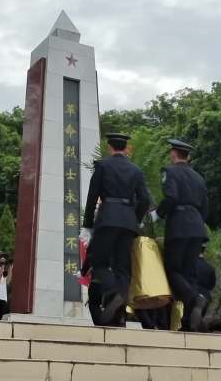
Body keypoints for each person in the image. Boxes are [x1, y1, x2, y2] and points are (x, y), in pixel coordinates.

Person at [80, 133, 151, 327]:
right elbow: (145, 200)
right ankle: (118, 309)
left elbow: (92, 196)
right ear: (124, 147)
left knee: (100, 262)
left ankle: (114, 293)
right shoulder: (136, 170)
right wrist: (133, 219)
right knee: (122, 268)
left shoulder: (102, 166)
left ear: (110, 147)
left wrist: (87, 224)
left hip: (107, 219)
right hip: (128, 222)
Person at [154, 139, 208, 332]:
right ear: (189, 157)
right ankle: (188, 323)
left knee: (172, 270)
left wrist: (157, 214)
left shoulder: (169, 172)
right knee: (189, 274)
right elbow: (205, 207)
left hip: (178, 226)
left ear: (173, 154)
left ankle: (195, 299)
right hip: (197, 228)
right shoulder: (199, 178)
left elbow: (171, 197)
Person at [196, 243, 216, 319]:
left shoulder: (189, 265)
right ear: (204, 252)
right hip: (205, 295)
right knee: (200, 318)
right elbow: (212, 284)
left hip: (191, 294)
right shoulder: (210, 268)